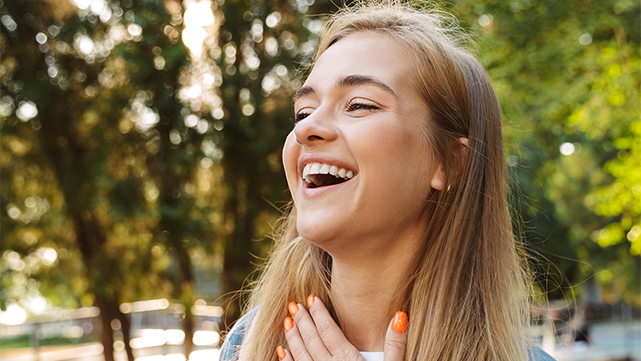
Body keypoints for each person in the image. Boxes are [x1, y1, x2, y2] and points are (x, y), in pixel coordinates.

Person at [219, 2, 556, 361]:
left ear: (450, 162)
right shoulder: (247, 343)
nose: (305, 128)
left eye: (360, 105)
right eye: (303, 111)